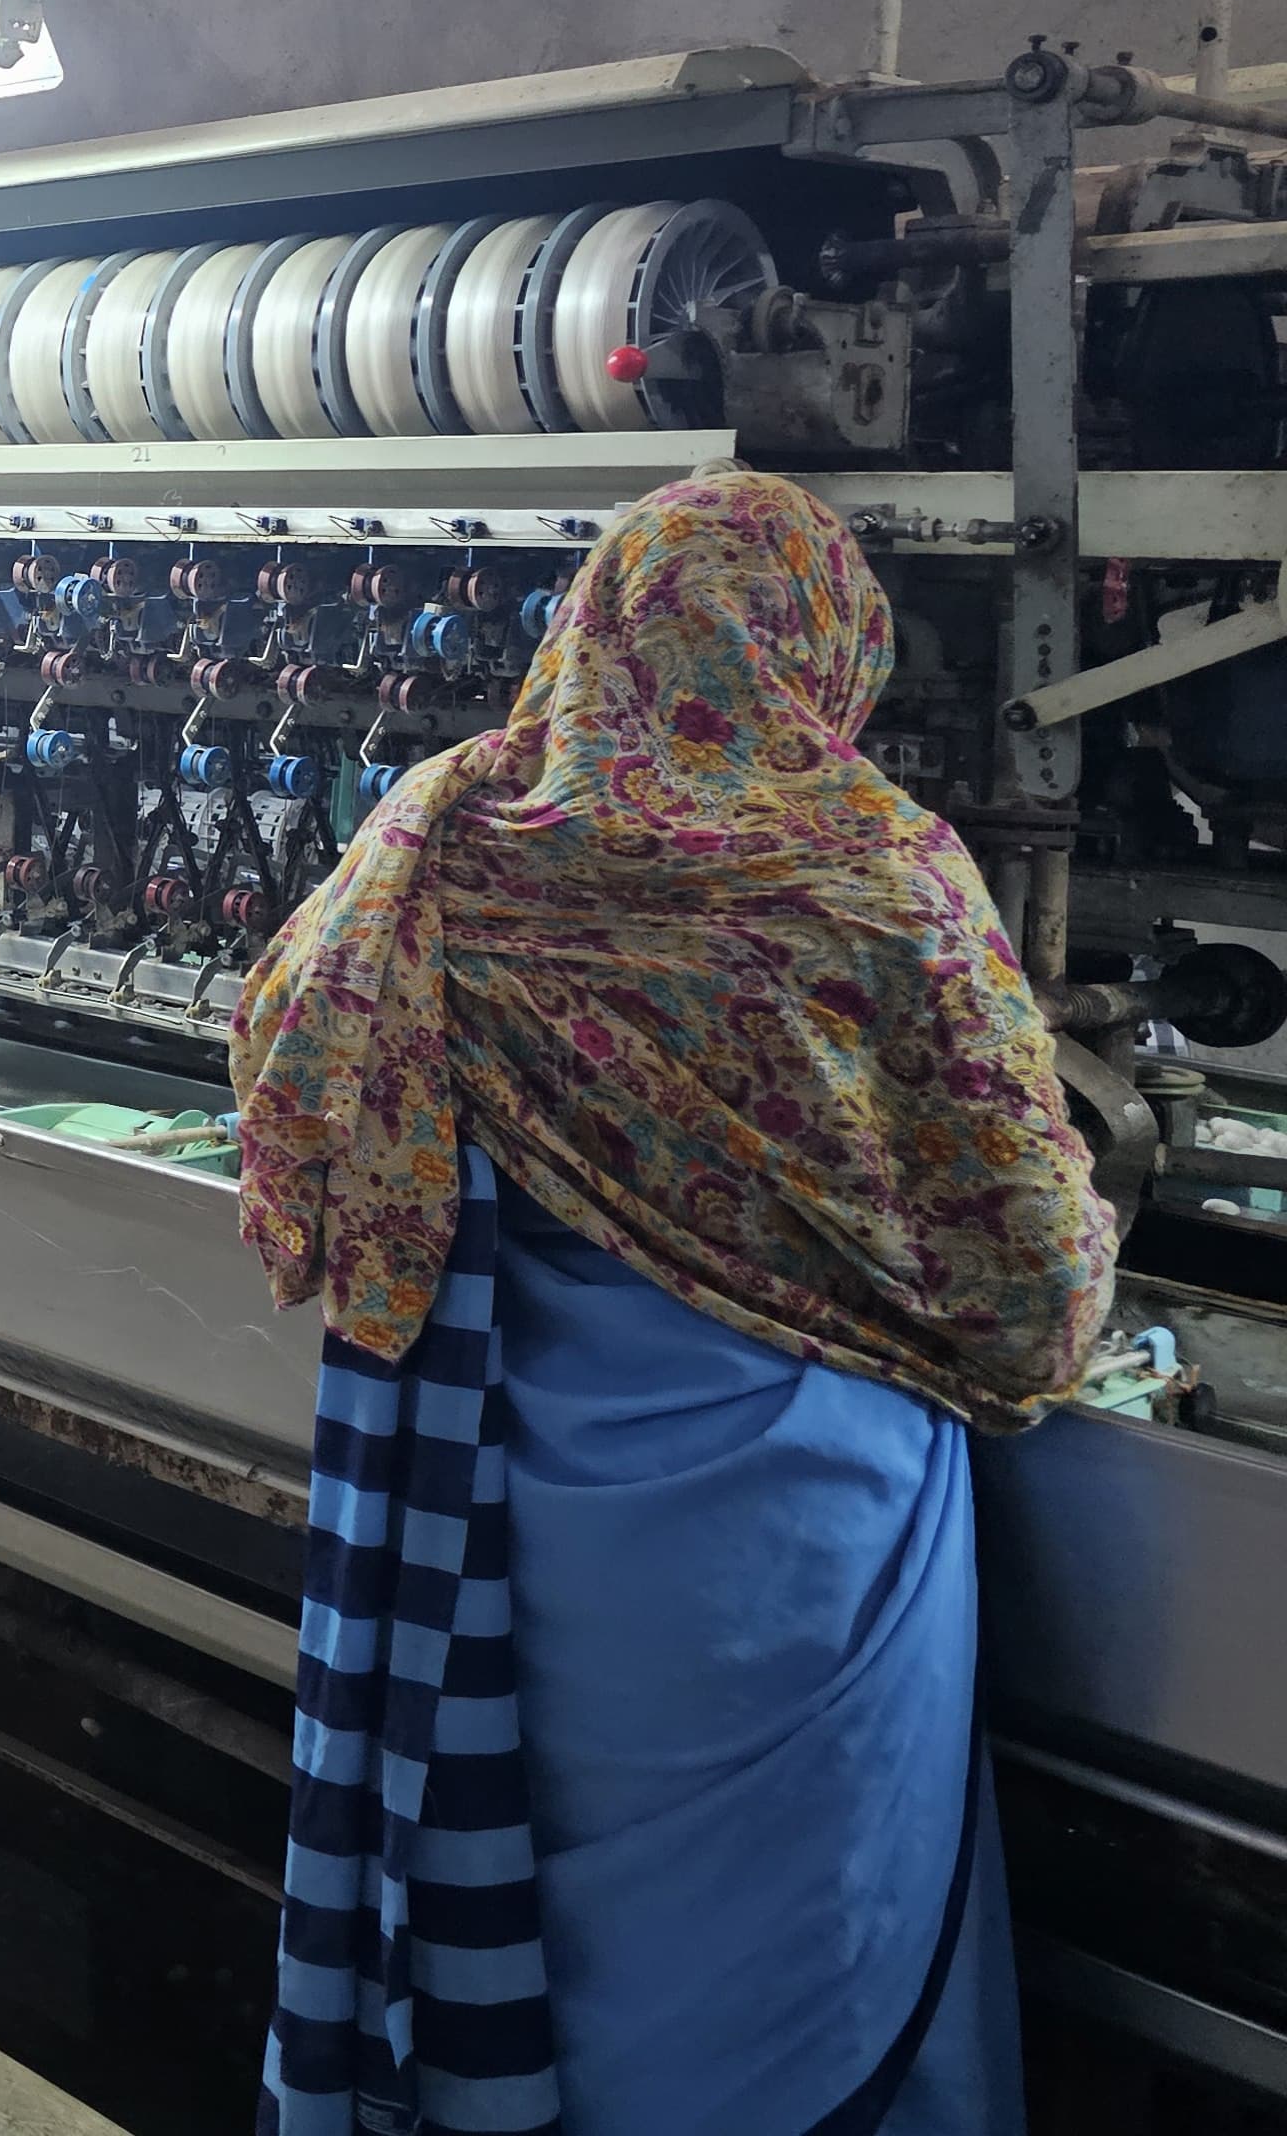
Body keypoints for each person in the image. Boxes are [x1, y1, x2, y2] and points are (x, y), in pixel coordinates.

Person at [233, 468, 1117, 2136]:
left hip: (513, 1534)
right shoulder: (873, 872)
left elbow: (294, 1117)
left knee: (557, 1943)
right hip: (788, 1564)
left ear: (593, 622)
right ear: (828, 645)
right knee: (803, 1961)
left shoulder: (440, 841)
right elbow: (1029, 1288)